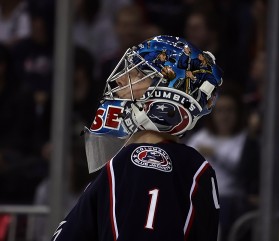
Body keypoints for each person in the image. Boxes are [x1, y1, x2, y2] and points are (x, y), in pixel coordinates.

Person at [51, 35, 223, 241]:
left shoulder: (147, 161)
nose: (119, 79)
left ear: (168, 93)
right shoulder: (186, 164)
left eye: (137, 73)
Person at [186, 84, 260, 241]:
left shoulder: (245, 140)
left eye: (230, 110)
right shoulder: (201, 138)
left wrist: (216, 155)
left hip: (230, 201)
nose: (224, 116)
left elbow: (243, 170)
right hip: (198, 197)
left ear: (238, 113)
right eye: (220, 110)